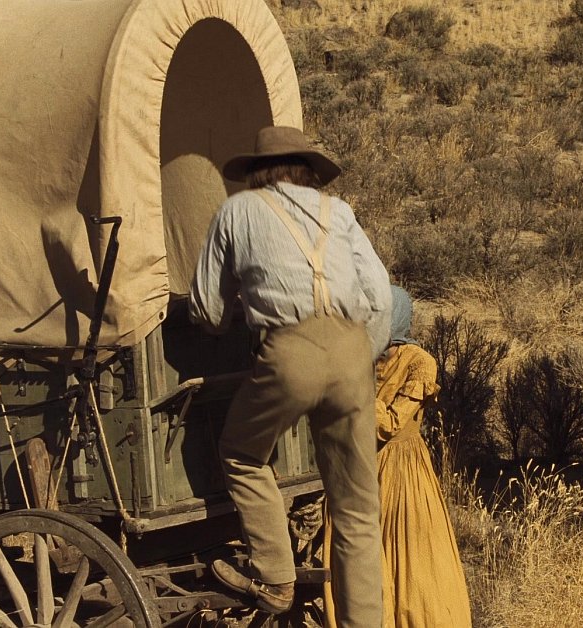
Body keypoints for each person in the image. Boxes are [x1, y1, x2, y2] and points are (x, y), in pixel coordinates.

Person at [188, 125, 391, 627]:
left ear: (257, 171)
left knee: (242, 453)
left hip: (290, 353)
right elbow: (380, 295)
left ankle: (275, 574)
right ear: (307, 170)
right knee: (357, 509)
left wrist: (237, 308)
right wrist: (359, 354)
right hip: (353, 352)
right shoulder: (338, 211)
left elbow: (207, 310)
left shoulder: (237, 211)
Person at [324, 285, 472, 627]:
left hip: (402, 472)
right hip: (357, 467)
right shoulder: (359, 356)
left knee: (411, 562)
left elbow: (389, 424)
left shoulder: (420, 363)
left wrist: (351, 386)